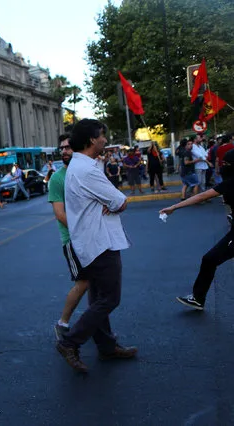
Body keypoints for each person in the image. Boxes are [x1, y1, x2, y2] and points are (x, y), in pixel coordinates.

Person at [56, 119, 137, 373]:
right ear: (92, 140)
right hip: (100, 243)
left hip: (90, 242)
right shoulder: (86, 170)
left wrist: (110, 202)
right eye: (102, 135)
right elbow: (120, 201)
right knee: (110, 299)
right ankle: (70, 341)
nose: (105, 139)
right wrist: (113, 202)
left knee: (98, 298)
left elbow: (110, 201)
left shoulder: (81, 166)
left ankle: (106, 347)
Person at [160, 149, 234, 311]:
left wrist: (174, 206)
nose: (223, 167)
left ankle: (198, 298)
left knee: (210, 259)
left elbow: (202, 196)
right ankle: (198, 298)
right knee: (210, 259)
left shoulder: (231, 183)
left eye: (227, 164)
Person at [49, 134, 90, 341]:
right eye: (62, 148)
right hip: (73, 240)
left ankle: (99, 331)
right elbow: (60, 214)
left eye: (68, 147)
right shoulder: (57, 179)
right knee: (83, 282)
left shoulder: (84, 172)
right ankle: (62, 323)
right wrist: (80, 232)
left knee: (97, 286)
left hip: (93, 238)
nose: (64, 151)